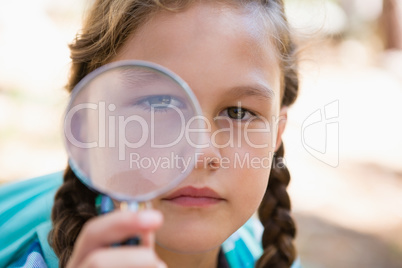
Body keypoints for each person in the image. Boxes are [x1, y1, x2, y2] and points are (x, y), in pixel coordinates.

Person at [0, 0, 301, 267]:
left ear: (276, 134)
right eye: (159, 104)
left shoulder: (262, 251)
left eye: (238, 113)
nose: (200, 153)